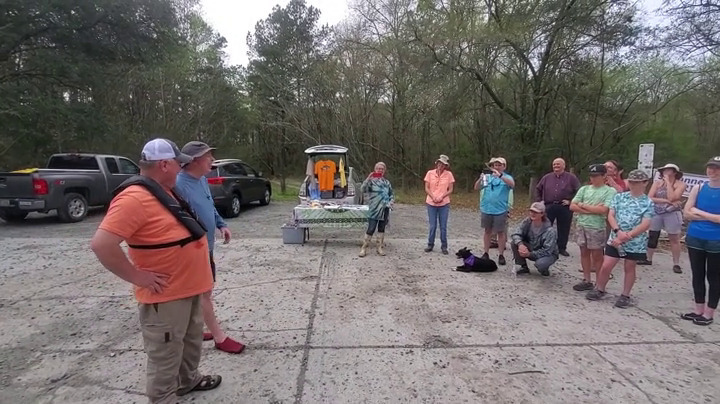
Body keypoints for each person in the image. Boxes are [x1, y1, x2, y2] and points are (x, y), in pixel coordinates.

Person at [90, 138, 222, 404]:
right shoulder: (134, 198)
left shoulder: (164, 189)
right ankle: (162, 398)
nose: (181, 170)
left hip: (190, 289)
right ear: (164, 164)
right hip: (167, 297)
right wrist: (137, 276)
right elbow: (102, 244)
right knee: (166, 353)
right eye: (178, 164)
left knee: (190, 342)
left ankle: (188, 381)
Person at [175, 141, 245, 354]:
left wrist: (221, 224)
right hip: (192, 250)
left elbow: (209, 205)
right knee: (204, 292)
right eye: (208, 157)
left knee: (201, 292)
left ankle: (193, 330)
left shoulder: (201, 180)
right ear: (194, 160)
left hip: (207, 247)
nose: (212, 161)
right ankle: (219, 337)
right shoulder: (178, 184)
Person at [586, 169, 654, 308]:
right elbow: (611, 215)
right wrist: (617, 231)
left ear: (645, 183)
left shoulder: (648, 202)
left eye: (637, 182)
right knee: (606, 265)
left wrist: (627, 236)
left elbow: (645, 223)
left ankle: (625, 294)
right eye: (632, 182)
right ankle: (600, 288)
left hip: (634, 240)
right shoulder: (619, 197)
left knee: (629, 266)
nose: (634, 185)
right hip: (616, 237)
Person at [680, 156, 720, 326]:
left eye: (716, 168)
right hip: (695, 236)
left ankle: (709, 313)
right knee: (697, 274)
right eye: (710, 167)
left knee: (714, 276)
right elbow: (687, 212)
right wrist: (703, 215)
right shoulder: (698, 187)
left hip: (715, 239)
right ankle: (698, 309)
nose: (712, 171)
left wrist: (700, 213)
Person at [570, 164, 617, 291]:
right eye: (591, 176)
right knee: (584, 252)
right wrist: (590, 208)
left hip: (597, 227)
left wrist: (582, 206)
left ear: (604, 176)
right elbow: (572, 206)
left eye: (596, 176)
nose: (593, 178)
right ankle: (586, 279)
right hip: (582, 224)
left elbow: (603, 210)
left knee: (597, 255)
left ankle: (599, 282)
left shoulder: (610, 191)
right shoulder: (584, 189)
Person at [640, 163, 686, 272]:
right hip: (656, 211)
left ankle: (676, 263)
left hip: (672, 213)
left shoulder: (680, 184)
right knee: (652, 234)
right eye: (664, 170)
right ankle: (648, 258)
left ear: (675, 172)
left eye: (669, 170)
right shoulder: (657, 183)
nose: (666, 172)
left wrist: (669, 184)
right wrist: (666, 201)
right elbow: (650, 197)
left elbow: (673, 197)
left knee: (674, 237)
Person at [535, 157, 581, 256]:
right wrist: (540, 201)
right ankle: (544, 246)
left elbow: (579, 191)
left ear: (564, 166)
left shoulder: (571, 177)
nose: (556, 166)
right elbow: (538, 189)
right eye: (554, 164)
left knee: (564, 228)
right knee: (545, 226)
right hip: (549, 205)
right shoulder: (547, 177)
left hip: (564, 207)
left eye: (558, 164)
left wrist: (571, 201)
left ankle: (561, 248)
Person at [476, 157, 515, 265]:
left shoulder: (507, 177)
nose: (497, 167)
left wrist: (500, 176)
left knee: (500, 232)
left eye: (499, 165)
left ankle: (501, 254)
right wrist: (480, 179)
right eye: (495, 165)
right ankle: (486, 253)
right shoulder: (487, 177)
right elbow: (477, 188)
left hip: (500, 210)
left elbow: (512, 185)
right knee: (487, 231)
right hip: (487, 209)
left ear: (504, 166)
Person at [510, 202, 559, 276]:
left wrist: (529, 254)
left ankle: (544, 269)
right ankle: (523, 266)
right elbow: (516, 233)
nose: (532, 214)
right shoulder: (527, 222)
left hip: (548, 254)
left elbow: (547, 251)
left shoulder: (550, 231)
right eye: (531, 211)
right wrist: (520, 245)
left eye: (536, 212)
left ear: (542, 214)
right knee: (514, 243)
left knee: (540, 264)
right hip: (532, 247)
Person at [359, 161, 395, 257]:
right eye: (378, 169)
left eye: (382, 169)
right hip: (374, 209)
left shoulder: (387, 182)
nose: (380, 170)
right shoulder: (371, 182)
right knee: (371, 228)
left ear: (384, 171)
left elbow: (391, 194)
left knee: (381, 228)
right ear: (375, 170)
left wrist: (391, 201)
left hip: (385, 209)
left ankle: (379, 247)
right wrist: (368, 179)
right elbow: (362, 190)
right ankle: (364, 248)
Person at [424, 155, 455, 254]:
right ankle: (430, 244)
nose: (440, 165)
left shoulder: (449, 174)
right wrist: (433, 196)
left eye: (443, 164)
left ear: (445, 166)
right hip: (431, 202)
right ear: (437, 163)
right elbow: (426, 188)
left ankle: (444, 246)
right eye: (439, 163)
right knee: (433, 225)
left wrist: (442, 196)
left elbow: (450, 189)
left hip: (444, 203)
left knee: (443, 226)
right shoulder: (430, 173)